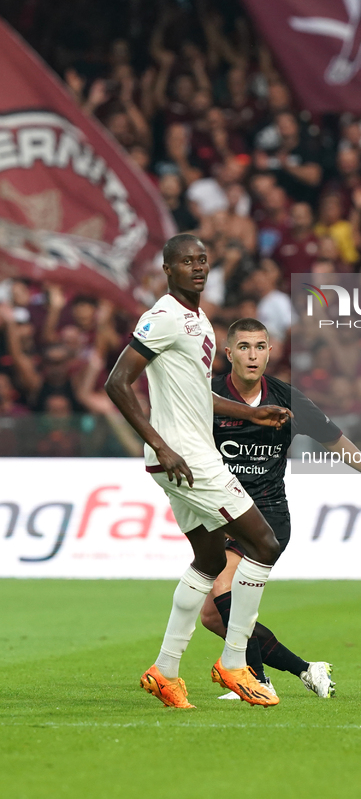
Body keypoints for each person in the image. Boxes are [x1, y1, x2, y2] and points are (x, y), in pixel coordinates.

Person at [105, 234, 293, 710]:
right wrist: (160, 445)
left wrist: (253, 414)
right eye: (186, 261)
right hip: (186, 457)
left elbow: (196, 394)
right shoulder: (165, 316)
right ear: (167, 269)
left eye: (203, 260)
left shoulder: (199, 321)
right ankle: (235, 664)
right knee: (263, 544)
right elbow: (117, 382)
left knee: (209, 560)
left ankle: (164, 671)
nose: (197, 267)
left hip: (185, 456)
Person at [201, 317, 361, 699]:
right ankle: (305, 669)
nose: (252, 355)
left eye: (260, 347)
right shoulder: (207, 394)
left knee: (223, 587)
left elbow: (336, 440)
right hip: (222, 514)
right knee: (214, 615)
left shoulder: (287, 398)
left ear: (269, 352)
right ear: (228, 353)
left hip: (267, 517)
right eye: (243, 347)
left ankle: (255, 679)